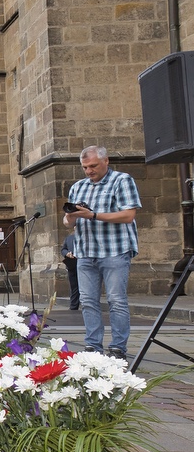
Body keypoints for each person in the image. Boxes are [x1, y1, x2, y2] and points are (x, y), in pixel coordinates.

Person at [63, 145, 141, 358]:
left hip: (114, 250)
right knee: (88, 302)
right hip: (85, 252)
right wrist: (70, 217)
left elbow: (128, 215)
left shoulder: (121, 180)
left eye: (93, 166)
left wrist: (93, 215)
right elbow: (68, 223)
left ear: (106, 161)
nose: (89, 171)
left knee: (116, 301)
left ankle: (118, 348)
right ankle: (93, 347)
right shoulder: (78, 187)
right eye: (85, 167)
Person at [61, 233, 80, 311]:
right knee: (74, 287)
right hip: (72, 265)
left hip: (85, 265)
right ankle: (73, 307)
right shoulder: (69, 238)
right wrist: (67, 254)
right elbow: (63, 249)